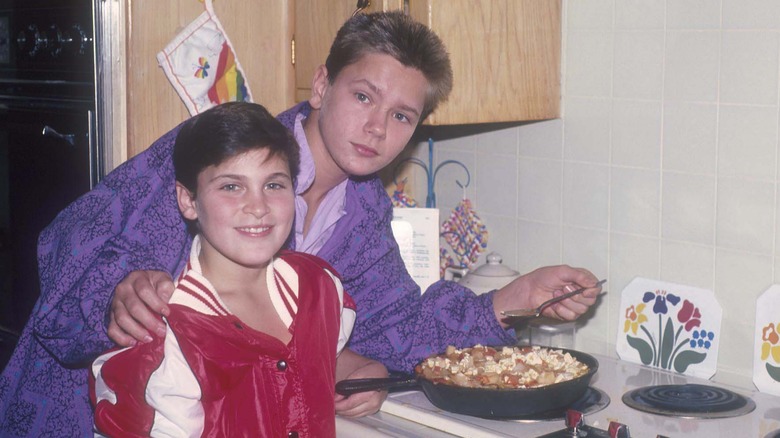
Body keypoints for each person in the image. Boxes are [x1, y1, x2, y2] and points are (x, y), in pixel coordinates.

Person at [0, 10, 601, 436]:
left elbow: (392, 328)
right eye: (363, 97)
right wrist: (116, 294)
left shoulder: (364, 217)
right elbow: (68, 245)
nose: (376, 129)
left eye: (401, 115)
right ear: (321, 84)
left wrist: (508, 302)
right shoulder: (227, 150)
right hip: (78, 414)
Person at [90, 101, 382, 437]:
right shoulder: (166, 337)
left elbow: (322, 358)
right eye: (231, 186)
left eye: (273, 185)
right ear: (188, 201)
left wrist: (367, 371)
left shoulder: (319, 286)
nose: (258, 207)